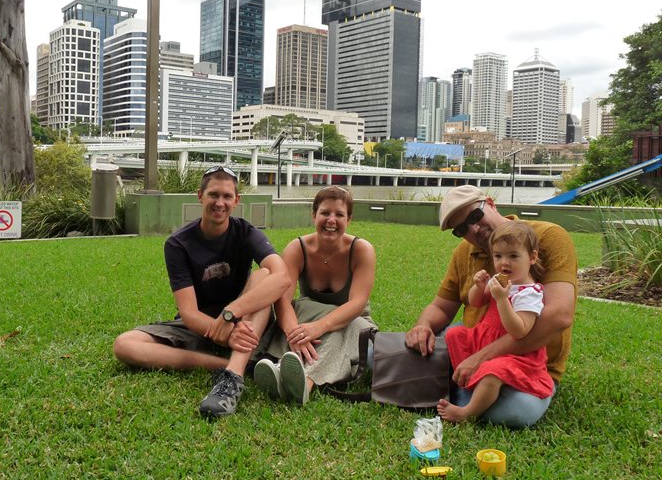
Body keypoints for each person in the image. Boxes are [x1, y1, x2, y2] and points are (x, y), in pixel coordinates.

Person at [112, 166, 291, 418]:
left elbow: (282, 278)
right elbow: (188, 313)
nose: (220, 203)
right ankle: (240, 365)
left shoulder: (245, 232)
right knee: (125, 345)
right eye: (213, 195)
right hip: (204, 326)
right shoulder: (178, 243)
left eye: (227, 196)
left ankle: (233, 376)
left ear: (236, 201)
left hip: (244, 320)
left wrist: (231, 314)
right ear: (200, 196)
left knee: (265, 276)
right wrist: (226, 334)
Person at [406, 185, 577, 428]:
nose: (473, 229)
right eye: (461, 229)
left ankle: (455, 391)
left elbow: (558, 317)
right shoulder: (465, 252)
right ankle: (457, 386)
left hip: (523, 358)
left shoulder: (547, 236)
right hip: (474, 341)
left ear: (491, 203)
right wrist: (423, 326)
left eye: (475, 216)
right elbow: (442, 307)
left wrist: (481, 358)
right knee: (383, 356)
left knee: (515, 412)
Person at [253, 186, 377, 404]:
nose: (331, 220)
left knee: (347, 329)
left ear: (349, 219)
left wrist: (321, 326)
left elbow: (357, 303)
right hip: (306, 315)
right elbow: (282, 299)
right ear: (314, 216)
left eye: (339, 214)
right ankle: (293, 371)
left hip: (350, 319)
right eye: (325, 213)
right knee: (320, 330)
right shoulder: (298, 248)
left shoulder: (361, 250)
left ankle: (303, 381)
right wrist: (294, 333)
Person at [437, 221, 555, 423]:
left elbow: (520, 331)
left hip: (513, 352)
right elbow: (477, 301)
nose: (504, 263)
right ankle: (469, 381)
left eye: (513, 256)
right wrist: (479, 286)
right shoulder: (499, 281)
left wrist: (502, 299)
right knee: (454, 334)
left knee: (494, 370)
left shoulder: (530, 293)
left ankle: (468, 413)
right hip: (485, 339)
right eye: (498, 256)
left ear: (532, 257)